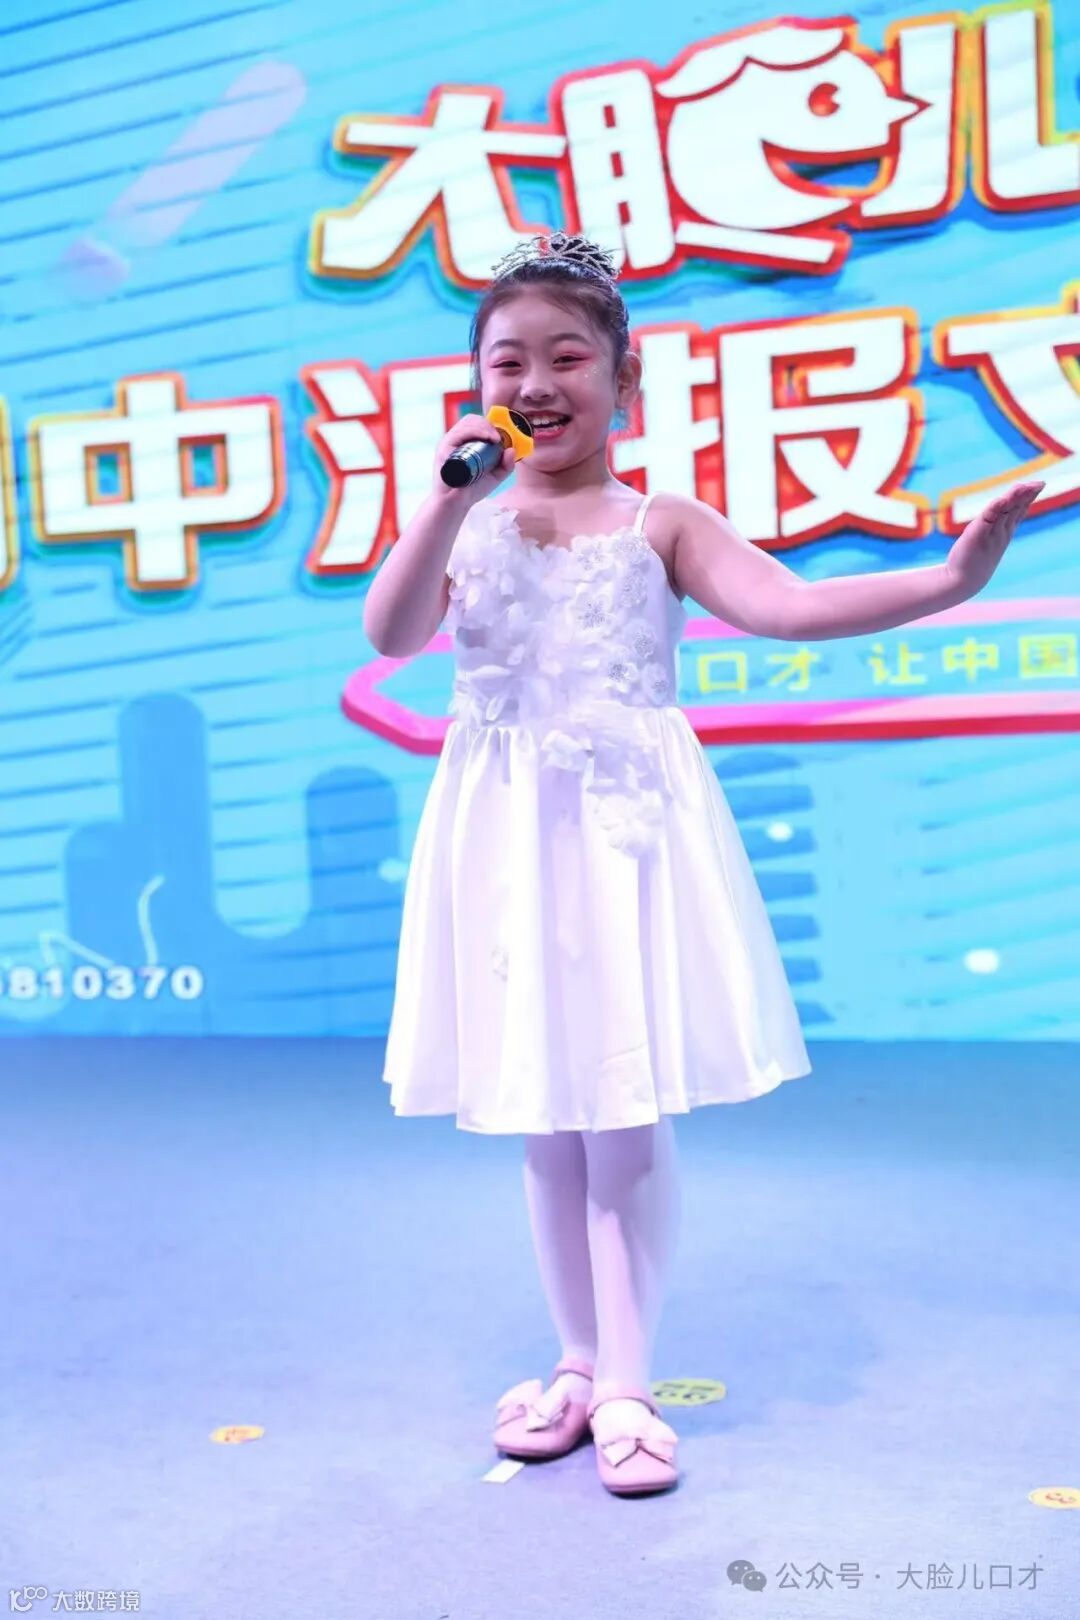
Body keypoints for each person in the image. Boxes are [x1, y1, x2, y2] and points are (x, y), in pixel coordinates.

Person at [362, 230, 1044, 1496]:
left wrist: (954, 578)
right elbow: (392, 633)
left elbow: (791, 607)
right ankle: (575, 1363)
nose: (536, 383)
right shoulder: (465, 519)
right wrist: (444, 499)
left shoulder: (660, 521)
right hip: (503, 833)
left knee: (619, 1100)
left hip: (622, 829)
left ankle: (626, 1381)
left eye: (569, 357)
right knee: (541, 1104)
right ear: (477, 384)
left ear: (624, 380)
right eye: (507, 361)